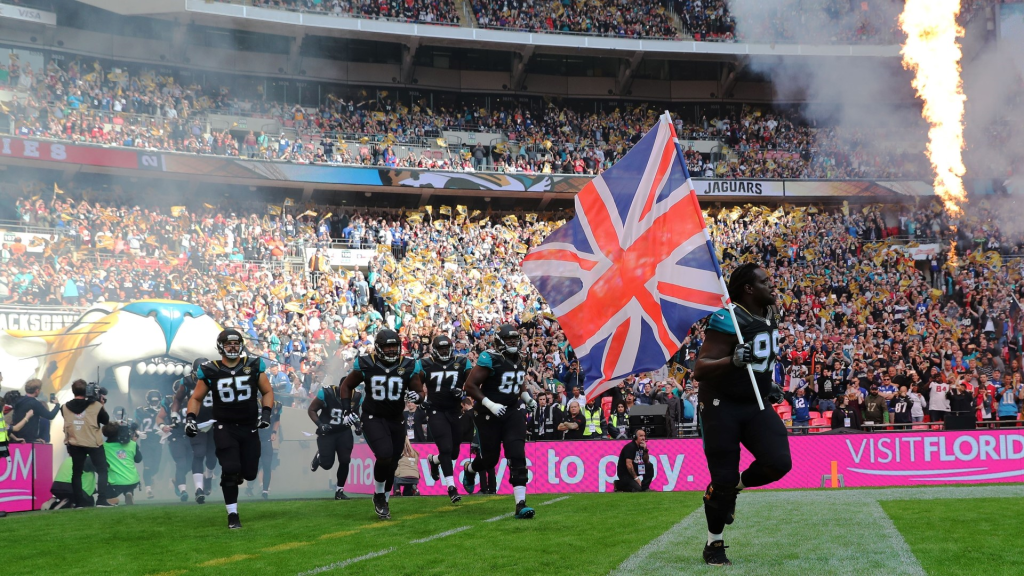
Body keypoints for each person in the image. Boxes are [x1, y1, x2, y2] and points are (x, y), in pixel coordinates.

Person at [692, 264, 791, 566]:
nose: (773, 286)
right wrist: (731, 360)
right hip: (722, 403)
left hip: (755, 399)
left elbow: (762, 358)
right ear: (749, 289)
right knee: (721, 478)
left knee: (778, 462)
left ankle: (735, 488)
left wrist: (768, 383)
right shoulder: (727, 317)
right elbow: (700, 368)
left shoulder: (769, 313)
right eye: (766, 282)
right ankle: (714, 543)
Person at [187, 328, 274, 530]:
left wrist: (266, 414)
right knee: (230, 469)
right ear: (221, 347)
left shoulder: (252, 365)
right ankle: (232, 515)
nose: (233, 347)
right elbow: (196, 398)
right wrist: (190, 419)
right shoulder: (211, 369)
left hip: (249, 426)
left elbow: (267, 391)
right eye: (228, 344)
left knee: (250, 473)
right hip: (224, 426)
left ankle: (236, 475)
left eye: (236, 343)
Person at [337, 329, 425, 520]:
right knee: (384, 455)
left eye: (395, 346)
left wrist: (416, 397)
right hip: (372, 417)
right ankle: (378, 495)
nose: (392, 350)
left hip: (396, 418)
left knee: (393, 462)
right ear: (378, 347)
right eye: (388, 346)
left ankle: (384, 500)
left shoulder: (408, 364)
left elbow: (420, 391)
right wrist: (347, 409)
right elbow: (346, 386)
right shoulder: (367, 363)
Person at [463, 324, 537, 520]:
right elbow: (469, 385)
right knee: (490, 459)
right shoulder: (490, 358)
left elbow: (516, 379)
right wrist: (490, 403)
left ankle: (520, 503)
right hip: (488, 413)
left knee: (517, 454)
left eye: (515, 339)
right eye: (509, 339)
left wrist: (526, 397)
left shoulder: (521, 357)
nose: (513, 342)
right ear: (500, 341)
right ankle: (470, 470)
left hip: (512, 411)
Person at [420, 334, 471, 503]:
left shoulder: (462, 362)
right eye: (441, 348)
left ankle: (434, 461)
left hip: (455, 411)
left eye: (446, 348)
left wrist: (463, 392)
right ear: (435, 350)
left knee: (454, 451)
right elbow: (414, 383)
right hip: (435, 411)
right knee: (446, 449)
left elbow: (473, 383)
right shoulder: (425, 363)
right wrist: (422, 400)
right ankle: (451, 487)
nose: (444, 351)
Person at [62, 379, 113, 508]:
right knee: (102, 470)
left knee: (77, 473)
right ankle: (101, 500)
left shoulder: (64, 407)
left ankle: (79, 503)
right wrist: (101, 404)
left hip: (75, 442)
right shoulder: (96, 406)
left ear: (73, 391)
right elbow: (106, 421)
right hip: (93, 443)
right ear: (87, 391)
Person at [174, 357, 216, 504]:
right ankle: (199, 489)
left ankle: (208, 477)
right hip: (197, 422)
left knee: (212, 457)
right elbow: (178, 399)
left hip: (215, 421)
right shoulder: (186, 381)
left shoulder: (217, 379)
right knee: (198, 454)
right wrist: (174, 415)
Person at [308, 381, 355, 500]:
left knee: (345, 460)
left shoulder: (356, 395)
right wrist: (320, 424)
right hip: (327, 432)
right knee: (327, 465)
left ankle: (339, 491)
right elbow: (311, 410)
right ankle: (320, 456)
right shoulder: (327, 393)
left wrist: (358, 424)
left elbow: (355, 413)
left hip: (344, 432)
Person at [156, 386, 192, 502]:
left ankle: (177, 480)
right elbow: (160, 417)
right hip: (175, 436)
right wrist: (162, 426)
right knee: (181, 463)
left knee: (190, 464)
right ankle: (183, 490)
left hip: (190, 435)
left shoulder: (194, 398)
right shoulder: (169, 401)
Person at [134, 390, 164, 499]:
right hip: (146, 442)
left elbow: (169, 424)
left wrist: (164, 432)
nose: (155, 403)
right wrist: (138, 433)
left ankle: (150, 478)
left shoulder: (163, 411)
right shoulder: (141, 411)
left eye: (156, 402)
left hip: (158, 442)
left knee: (155, 467)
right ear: (148, 401)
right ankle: (148, 489)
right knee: (147, 466)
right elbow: (135, 425)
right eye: (153, 401)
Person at [103, 422, 142, 505]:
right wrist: (134, 443)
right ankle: (129, 492)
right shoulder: (132, 444)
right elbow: (138, 459)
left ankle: (113, 499)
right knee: (129, 485)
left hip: (115, 482)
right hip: (132, 480)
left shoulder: (103, 447)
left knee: (107, 498)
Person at [10, 378, 60, 443]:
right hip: (28, 439)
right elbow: (50, 416)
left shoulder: (19, 400)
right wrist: (57, 405)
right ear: (37, 391)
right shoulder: (35, 404)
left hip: (16, 437)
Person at [249, 400, 282, 499]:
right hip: (255, 440)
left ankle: (265, 491)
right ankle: (249, 487)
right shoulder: (255, 404)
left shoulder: (277, 405)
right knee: (255, 466)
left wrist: (274, 432)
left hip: (266, 440)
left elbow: (277, 420)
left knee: (267, 465)